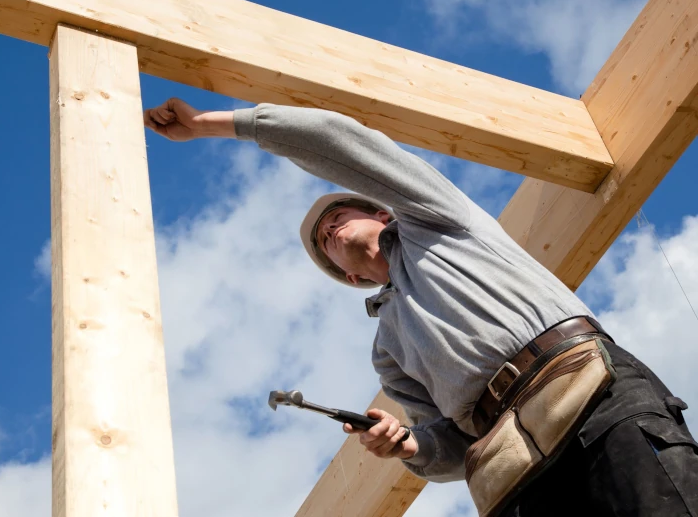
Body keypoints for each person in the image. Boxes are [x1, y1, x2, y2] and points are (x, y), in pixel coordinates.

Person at [144, 98, 698, 516]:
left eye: (337, 215)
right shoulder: (388, 350)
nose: (327, 230)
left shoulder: (436, 220)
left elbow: (334, 139)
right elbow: (451, 445)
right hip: (519, 472)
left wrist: (212, 124)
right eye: (322, 242)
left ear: (383, 213)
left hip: (591, 395)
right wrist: (408, 444)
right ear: (351, 278)